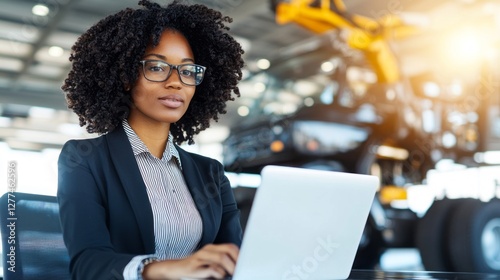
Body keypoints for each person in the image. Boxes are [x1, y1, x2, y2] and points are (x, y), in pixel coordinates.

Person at [57, 0, 245, 279]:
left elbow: (234, 260)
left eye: (188, 70)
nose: (176, 82)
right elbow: (87, 264)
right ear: (125, 77)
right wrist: (161, 269)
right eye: (157, 68)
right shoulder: (84, 158)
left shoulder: (211, 173)